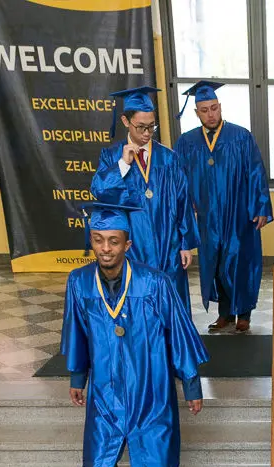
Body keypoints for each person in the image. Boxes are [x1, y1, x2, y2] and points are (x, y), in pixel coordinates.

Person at [61, 202, 208, 467]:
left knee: (159, 454)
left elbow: (179, 336)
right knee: (101, 451)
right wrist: (77, 378)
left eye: (113, 241)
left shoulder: (154, 283)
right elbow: (76, 333)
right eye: (98, 240)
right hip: (106, 387)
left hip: (150, 387)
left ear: (127, 244)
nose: (105, 248)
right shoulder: (79, 282)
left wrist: (191, 386)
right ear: (91, 240)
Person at [174, 81, 273, 333]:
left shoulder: (240, 136)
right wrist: (186, 205)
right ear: (196, 112)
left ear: (220, 106)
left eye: (214, 108)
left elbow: (256, 172)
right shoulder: (187, 142)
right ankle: (225, 314)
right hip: (207, 217)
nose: (211, 114)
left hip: (239, 214)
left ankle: (244, 314)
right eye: (204, 110)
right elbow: (179, 178)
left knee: (240, 262)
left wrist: (261, 207)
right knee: (216, 264)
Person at [91, 86, 198, 312]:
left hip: (168, 244)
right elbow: (99, 191)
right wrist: (123, 165)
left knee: (171, 301)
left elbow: (183, 202)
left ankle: (172, 337)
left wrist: (185, 244)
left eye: (152, 126)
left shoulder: (169, 158)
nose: (147, 133)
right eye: (141, 127)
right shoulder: (111, 156)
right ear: (125, 121)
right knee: (137, 301)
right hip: (133, 245)